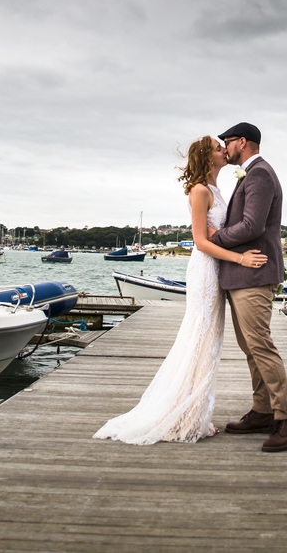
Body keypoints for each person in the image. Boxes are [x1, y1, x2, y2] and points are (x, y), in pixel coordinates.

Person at [93, 136, 268, 445]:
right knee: (199, 338)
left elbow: (221, 232)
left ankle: (194, 412)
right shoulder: (199, 191)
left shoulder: (216, 189)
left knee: (210, 341)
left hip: (218, 270)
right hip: (205, 271)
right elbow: (200, 241)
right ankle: (185, 417)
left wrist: (227, 238)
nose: (223, 151)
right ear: (207, 158)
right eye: (217, 148)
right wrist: (241, 258)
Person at [209, 122, 287, 452]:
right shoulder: (252, 174)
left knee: (260, 346)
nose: (225, 147)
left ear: (243, 142)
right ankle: (263, 411)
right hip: (241, 276)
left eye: (228, 142)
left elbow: (252, 226)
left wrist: (215, 238)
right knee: (251, 348)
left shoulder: (260, 174)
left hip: (254, 274)